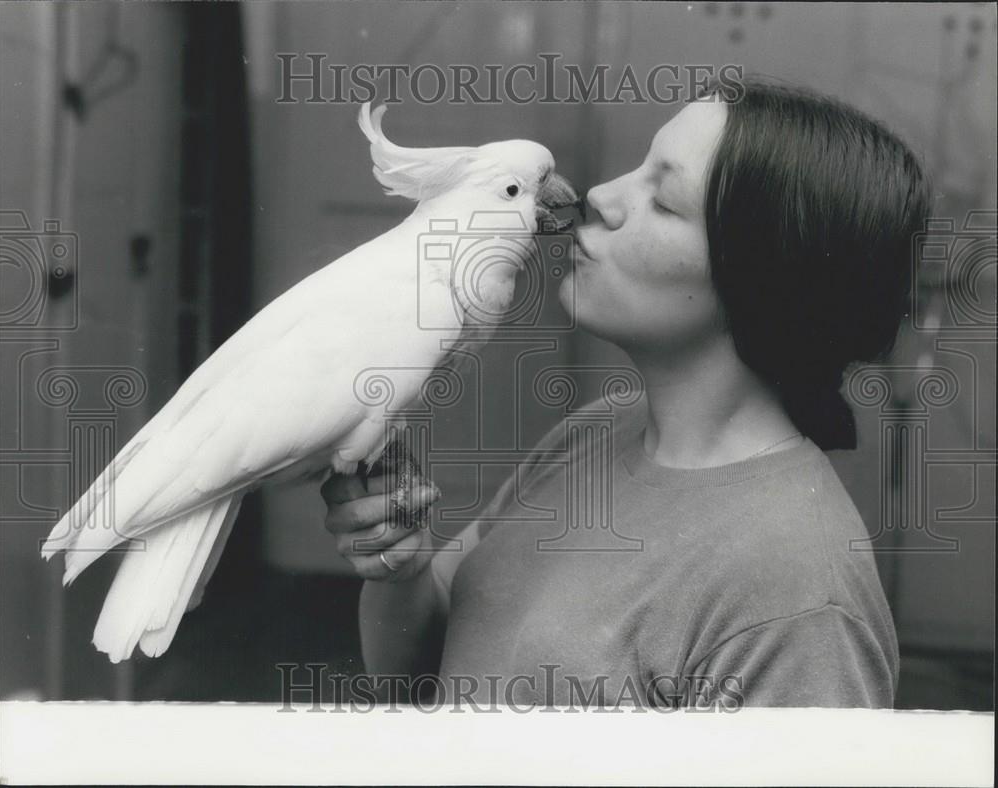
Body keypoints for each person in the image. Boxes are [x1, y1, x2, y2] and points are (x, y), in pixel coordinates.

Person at [321, 78, 931, 708]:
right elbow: (424, 677)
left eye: (663, 201)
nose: (602, 197)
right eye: (638, 168)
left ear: (762, 284)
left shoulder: (800, 597)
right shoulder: (599, 431)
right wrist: (405, 572)